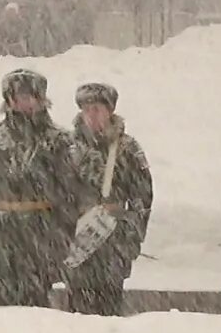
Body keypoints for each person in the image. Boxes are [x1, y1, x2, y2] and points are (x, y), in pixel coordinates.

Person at [0, 68, 79, 307]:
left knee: (37, 301)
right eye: (17, 97)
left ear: (41, 99)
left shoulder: (58, 141)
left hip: (41, 231)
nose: (24, 102)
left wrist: (66, 233)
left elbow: (69, 191)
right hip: (0, 231)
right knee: (4, 301)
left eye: (30, 96)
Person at [62, 82, 153, 317]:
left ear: (110, 111)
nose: (92, 115)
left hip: (114, 239)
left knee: (110, 308)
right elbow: (56, 192)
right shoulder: (67, 147)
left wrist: (131, 239)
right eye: (87, 109)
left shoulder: (127, 148)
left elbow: (142, 197)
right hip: (78, 238)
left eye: (98, 109)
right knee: (77, 310)